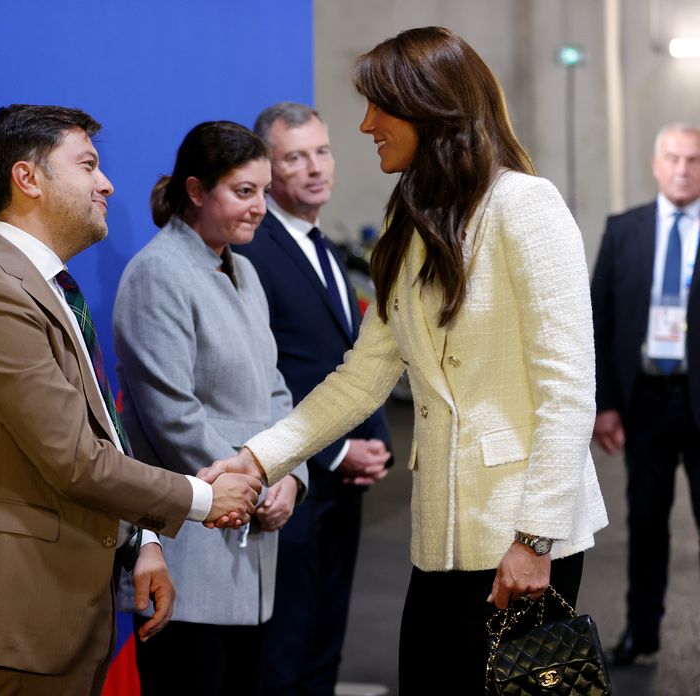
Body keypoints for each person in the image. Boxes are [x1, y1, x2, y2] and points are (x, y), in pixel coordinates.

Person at [201, 27, 608, 694]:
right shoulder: (407, 220)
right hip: (440, 540)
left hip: (526, 538)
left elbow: (568, 392)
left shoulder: (525, 207)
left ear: (428, 108)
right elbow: (364, 374)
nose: (365, 125)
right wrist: (256, 458)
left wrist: (535, 541)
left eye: (378, 107)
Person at [0, 104, 262, 696]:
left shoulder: (45, 287)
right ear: (28, 179)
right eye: (88, 165)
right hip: (31, 611)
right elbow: (76, 459)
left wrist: (144, 542)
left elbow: (103, 429)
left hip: (72, 599)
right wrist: (205, 498)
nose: (106, 183)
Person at [112, 120, 309, 696]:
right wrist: (254, 481)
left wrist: (290, 475)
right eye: (243, 192)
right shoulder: (156, 272)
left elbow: (275, 390)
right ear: (196, 191)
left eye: (264, 192)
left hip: (249, 543)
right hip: (188, 548)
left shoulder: (244, 270)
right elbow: (171, 414)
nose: (260, 209)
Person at [232, 102, 392, 695]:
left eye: (321, 151)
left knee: (326, 647)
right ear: (269, 168)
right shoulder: (253, 251)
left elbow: (353, 359)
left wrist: (376, 441)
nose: (314, 167)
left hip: (344, 486)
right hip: (292, 484)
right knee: (285, 657)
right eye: (294, 157)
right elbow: (262, 374)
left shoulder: (322, 245)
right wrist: (329, 454)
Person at [592, 123, 700, 667]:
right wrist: (605, 404)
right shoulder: (624, 230)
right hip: (645, 404)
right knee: (647, 523)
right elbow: (599, 321)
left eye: (693, 160)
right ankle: (641, 631)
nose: (683, 169)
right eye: (674, 159)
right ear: (656, 165)